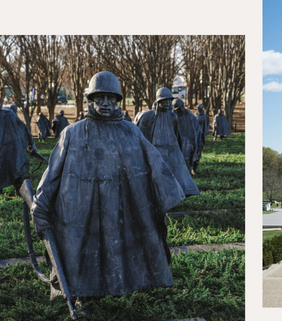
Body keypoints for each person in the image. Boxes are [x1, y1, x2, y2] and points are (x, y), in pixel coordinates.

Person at [31, 71, 189, 301]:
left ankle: (121, 288)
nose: (105, 103)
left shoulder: (131, 132)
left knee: (121, 249)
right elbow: (52, 173)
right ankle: (80, 296)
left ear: (117, 100)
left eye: (110, 98)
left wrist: (167, 194)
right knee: (81, 253)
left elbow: (155, 165)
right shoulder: (72, 134)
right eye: (99, 98)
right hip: (81, 210)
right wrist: (40, 204)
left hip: (121, 207)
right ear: (90, 100)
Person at [133, 87, 200, 197]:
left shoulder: (173, 116)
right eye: (164, 101)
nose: (167, 103)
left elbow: (175, 133)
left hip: (172, 148)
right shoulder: (150, 116)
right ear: (158, 101)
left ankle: (179, 192)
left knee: (177, 172)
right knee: (158, 174)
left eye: (169, 100)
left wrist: (178, 149)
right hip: (157, 148)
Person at [0, 106, 37, 193]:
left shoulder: (8, 113)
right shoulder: (9, 113)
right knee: (16, 170)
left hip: (9, 147)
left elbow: (23, 128)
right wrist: (31, 143)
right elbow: (24, 128)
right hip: (14, 147)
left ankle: (19, 191)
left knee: (9, 170)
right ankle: (20, 191)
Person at [173, 99, 201, 171]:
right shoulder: (173, 115)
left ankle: (193, 168)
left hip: (189, 138)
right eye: (180, 108)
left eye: (183, 106)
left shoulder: (188, 113)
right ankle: (182, 170)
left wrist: (197, 134)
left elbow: (195, 124)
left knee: (193, 153)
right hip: (178, 139)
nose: (182, 108)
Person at [192, 104, 210, 173]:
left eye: (199, 108)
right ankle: (192, 167)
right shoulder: (194, 115)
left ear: (202, 108)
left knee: (199, 151)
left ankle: (195, 167)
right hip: (194, 135)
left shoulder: (205, 117)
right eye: (197, 108)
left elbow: (207, 125)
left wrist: (205, 133)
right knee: (193, 150)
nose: (198, 109)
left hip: (201, 136)